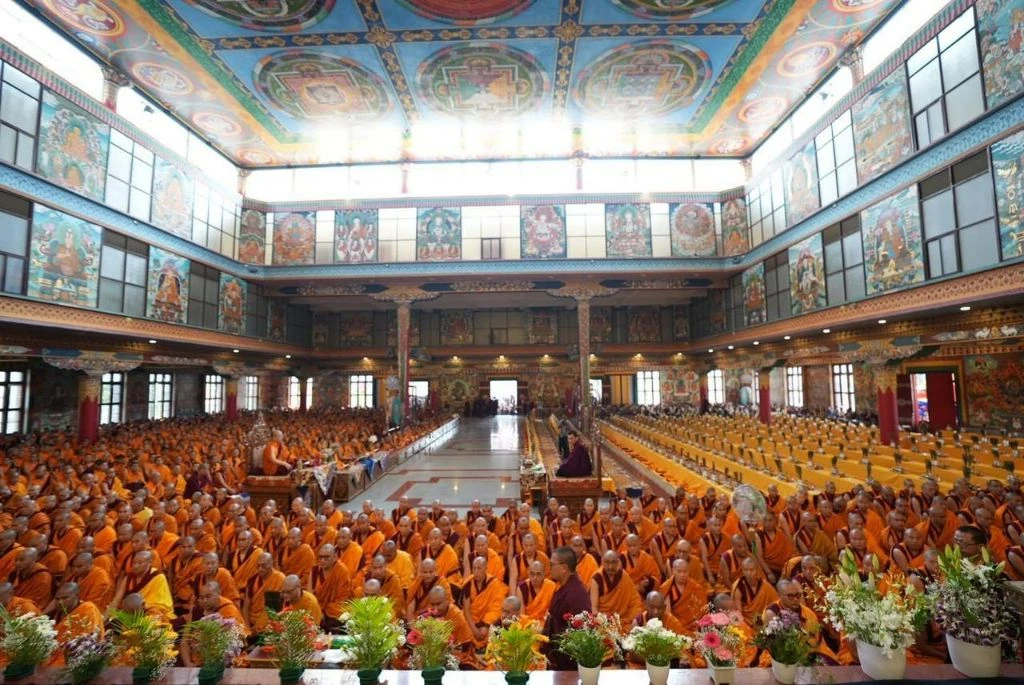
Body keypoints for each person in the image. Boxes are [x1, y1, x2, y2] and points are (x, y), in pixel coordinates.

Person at [544, 547, 591, 670]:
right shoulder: (564, 587)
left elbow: (581, 629)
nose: (550, 568)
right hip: (558, 655)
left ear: (564, 568)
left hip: (569, 660)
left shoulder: (576, 593)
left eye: (552, 564)